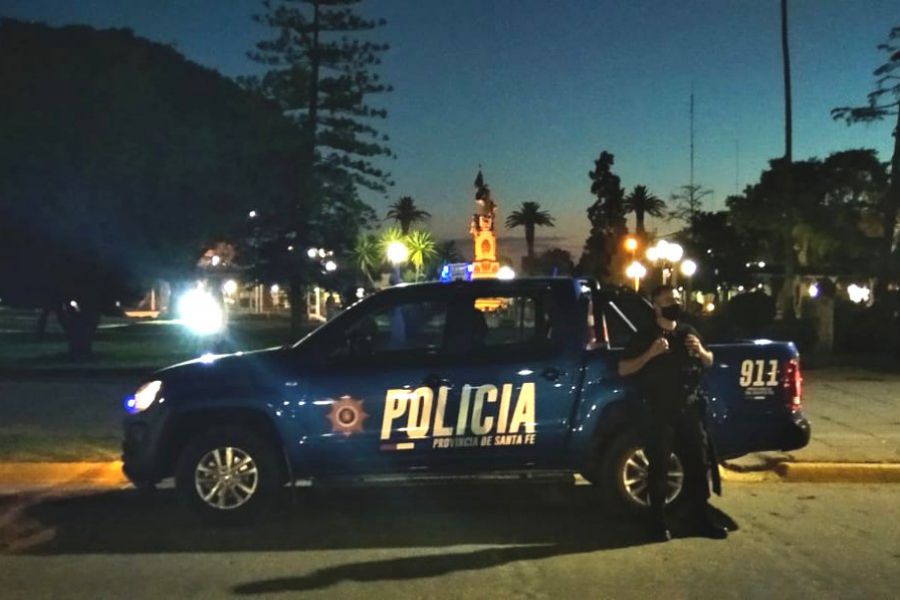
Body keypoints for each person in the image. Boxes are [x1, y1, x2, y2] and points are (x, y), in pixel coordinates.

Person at [618, 284, 728, 542]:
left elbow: (709, 361)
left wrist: (700, 351)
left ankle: (700, 519)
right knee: (659, 467)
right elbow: (623, 368)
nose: (674, 304)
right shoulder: (646, 336)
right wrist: (650, 354)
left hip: (689, 408)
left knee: (697, 464)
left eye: (676, 299)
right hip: (659, 410)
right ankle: (658, 523)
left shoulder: (688, 332)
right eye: (668, 300)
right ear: (656, 306)